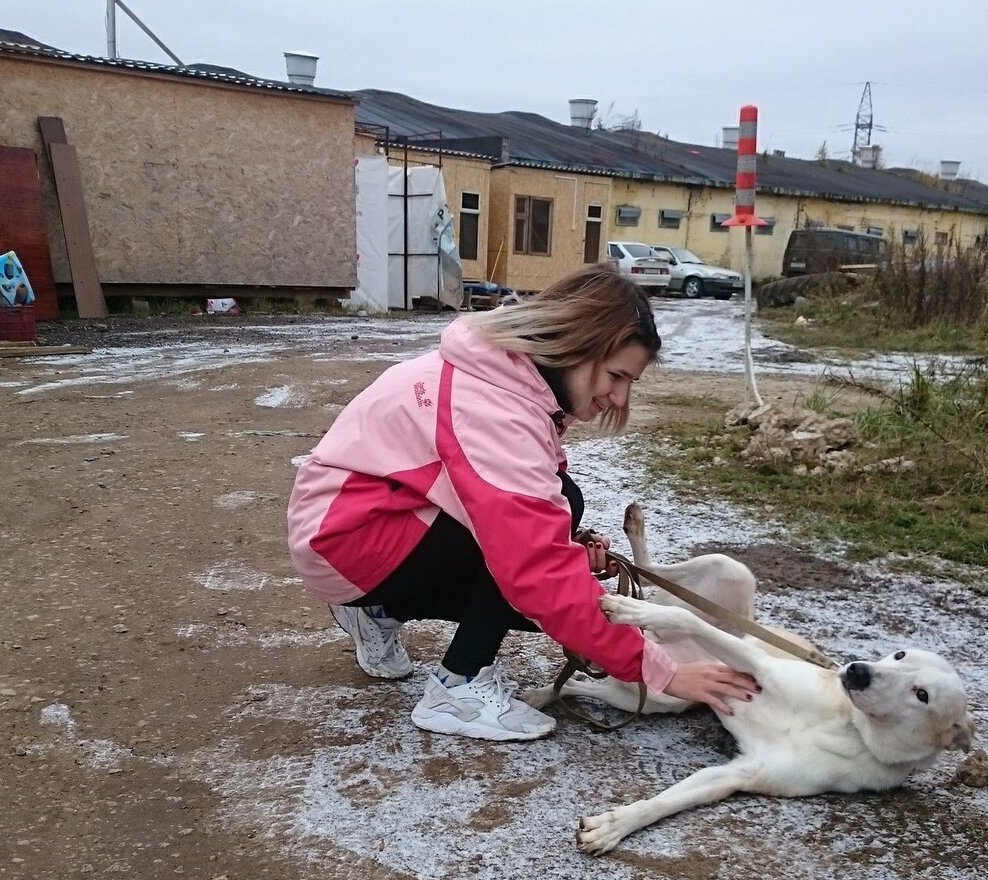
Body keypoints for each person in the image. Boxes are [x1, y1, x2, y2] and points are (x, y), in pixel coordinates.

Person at [286, 263, 755, 742]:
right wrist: (663, 672)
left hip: (354, 529)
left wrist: (569, 549)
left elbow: (530, 521)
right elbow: (536, 566)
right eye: (616, 375)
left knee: (556, 522)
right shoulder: (493, 408)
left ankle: (378, 611)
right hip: (347, 541)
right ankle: (458, 689)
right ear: (574, 345)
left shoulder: (506, 376)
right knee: (537, 561)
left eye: (629, 382)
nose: (619, 397)